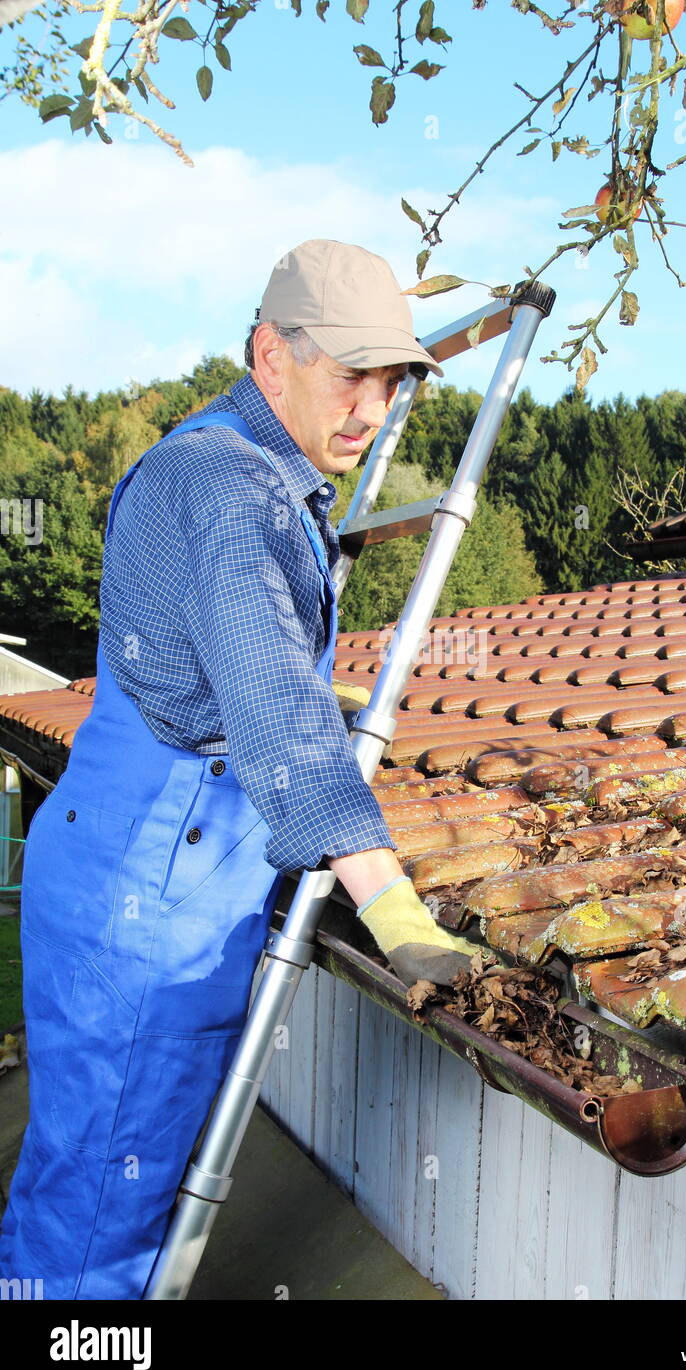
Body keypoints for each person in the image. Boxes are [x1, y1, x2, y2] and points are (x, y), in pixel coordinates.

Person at [0, 239, 488, 1301]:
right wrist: (393, 904)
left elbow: (228, 653)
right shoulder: (235, 491)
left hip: (119, 858)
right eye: (345, 374)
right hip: (151, 900)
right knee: (99, 1230)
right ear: (270, 353)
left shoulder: (219, 458)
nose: (369, 408)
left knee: (80, 1179)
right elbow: (272, 710)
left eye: (390, 381)